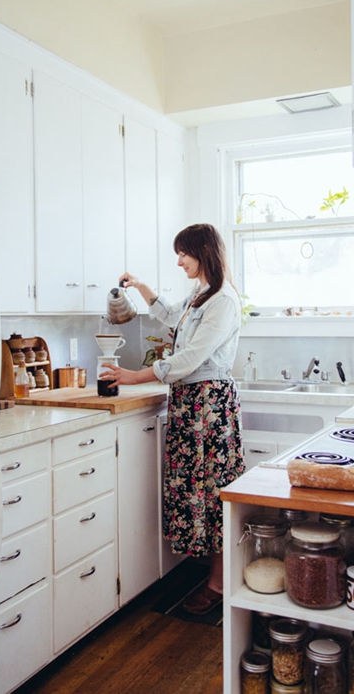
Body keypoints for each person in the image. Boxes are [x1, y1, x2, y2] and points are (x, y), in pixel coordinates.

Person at [99, 223, 245, 614]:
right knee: (198, 490)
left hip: (208, 405)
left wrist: (133, 376)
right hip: (191, 402)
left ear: (204, 252)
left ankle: (218, 584)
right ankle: (217, 578)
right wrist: (141, 286)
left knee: (213, 492)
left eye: (184, 253)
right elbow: (168, 315)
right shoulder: (201, 295)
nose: (179, 261)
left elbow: (187, 359)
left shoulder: (223, 301)